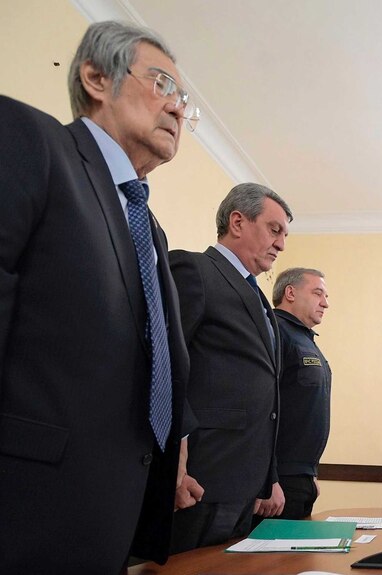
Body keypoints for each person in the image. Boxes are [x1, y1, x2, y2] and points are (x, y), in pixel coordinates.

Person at [0, 21, 198, 572]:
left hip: (112, 521)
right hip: (25, 513)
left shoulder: (147, 226)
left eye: (185, 101)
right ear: (94, 77)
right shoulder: (29, 140)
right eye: (163, 85)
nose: (179, 110)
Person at [169, 183, 292, 553]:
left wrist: (268, 477)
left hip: (246, 484)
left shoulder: (260, 299)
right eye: (275, 230)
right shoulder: (195, 270)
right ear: (237, 222)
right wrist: (174, 453)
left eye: (284, 234)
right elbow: (168, 367)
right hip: (201, 478)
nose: (282, 244)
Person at [266, 267, 332, 519]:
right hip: (278, 479)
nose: (325, 303)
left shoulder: (304, 339)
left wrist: (310, 472)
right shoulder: (274, 332)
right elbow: (264, 410)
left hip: (300, 477)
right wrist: (268, 479)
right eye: (318, 293)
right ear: (290, 293)